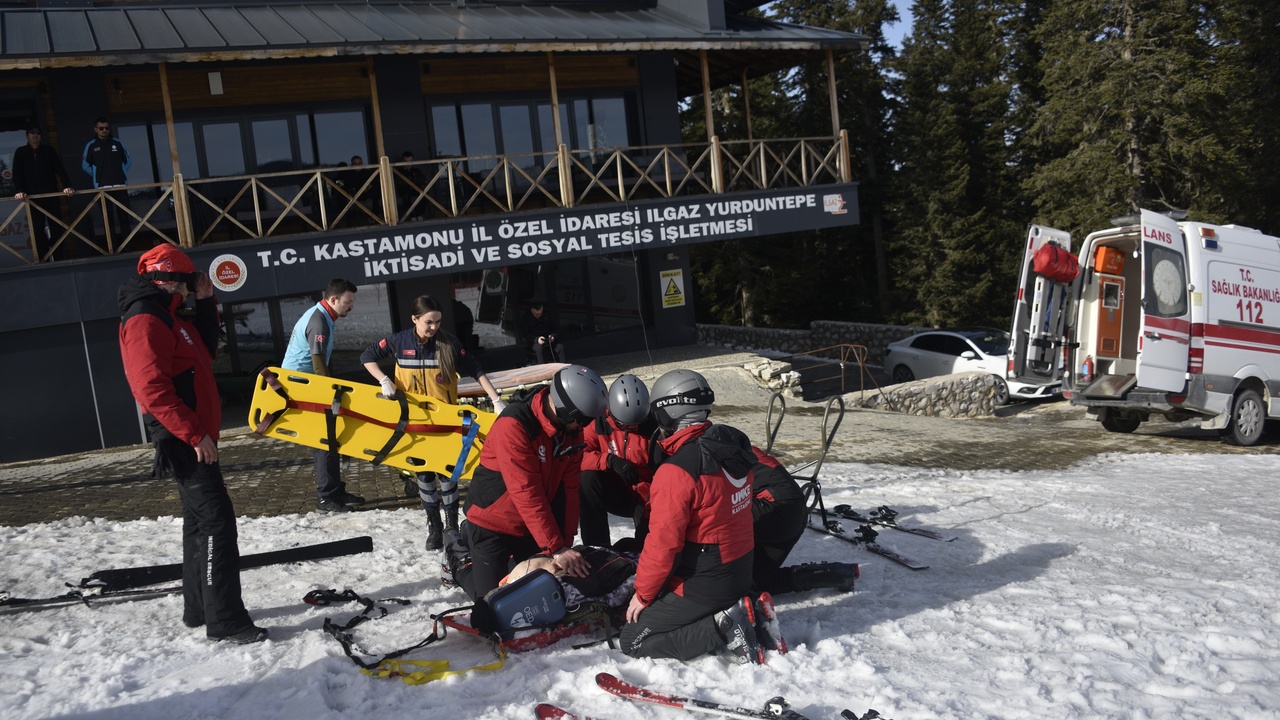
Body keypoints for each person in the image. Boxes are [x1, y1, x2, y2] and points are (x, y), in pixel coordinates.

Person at [117, 244, 266, 644]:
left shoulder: (169, 316)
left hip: (194, 435)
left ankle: (198, 608)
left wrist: (206, 301)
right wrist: (193, 433)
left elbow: (204, 351)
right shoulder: (145, 319)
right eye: (187, 283)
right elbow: (149, 387)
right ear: (169, 281)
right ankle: (227, 621)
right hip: (185, 439)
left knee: (200, 525)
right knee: (217, 524)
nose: (189, 289)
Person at [618, 370, 766, 664]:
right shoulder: (731, 450)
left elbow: (663, 544)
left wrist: (644, 595)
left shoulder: (678, 470)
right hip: (739, 572)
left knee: (632, 640)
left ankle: (723, 627)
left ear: (669, 413)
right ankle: (747, 610)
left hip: (705, 583)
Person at [360, 295, 507, 550]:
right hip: (413, 422)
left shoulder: (448, 344)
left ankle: (451, 525)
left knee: (448, 475)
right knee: (424, 476)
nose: (434, 327)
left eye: (438, 322)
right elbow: (367, 356)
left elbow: (476, 369)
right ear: (414, 319)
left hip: (445, 422)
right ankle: (434, 526)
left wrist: (495, 399)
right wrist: (384, 380)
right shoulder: (399, 341)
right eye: (428, 322)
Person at [457, 364, 608, 602]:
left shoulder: (571, 431)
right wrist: (556, 548)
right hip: (492, 523)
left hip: (530, 527)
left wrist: (564, 546)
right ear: (565, 410)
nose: (584, 428)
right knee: (493, 601)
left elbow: (570, 490)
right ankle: (459, 561)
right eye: (582, 420)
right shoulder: (515, 425)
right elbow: (526, 492)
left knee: (540, 590)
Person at [281, 278, 364, 514]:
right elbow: (318, 365)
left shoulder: (325, 315)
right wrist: (330, 395)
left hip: (308, 384)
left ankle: (335, 491)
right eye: (348, 302)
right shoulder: (319, 321)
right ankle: (327, 498)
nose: (351, 306)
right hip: (303, 387)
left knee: (331, 439)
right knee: (324, 441)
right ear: (333, 299)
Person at [749, 447, 858, 595]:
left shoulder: (711, 453)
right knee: (755, 583)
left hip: (774, 513)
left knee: (733, 587)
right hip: (794, 512)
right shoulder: (733, 442)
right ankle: (837, 574)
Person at [579, 374, 657, 548]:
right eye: (624, 425)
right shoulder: (598, 422)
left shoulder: (656, 428)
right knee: (587, 479)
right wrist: (609, 460)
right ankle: (597, 548)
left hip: (647, 499)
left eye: (636, 425)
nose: (630, 429)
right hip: (616, 492)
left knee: (646, 547)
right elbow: (578, 456)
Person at [11, 126, 74, 256]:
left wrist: (66, 185)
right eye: (32, 133)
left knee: (56, 227)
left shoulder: (49, 151)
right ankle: (43, 257)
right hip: (32, 198)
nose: (35, 136)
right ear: (27, 136)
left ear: (41, 136)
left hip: (51, 195)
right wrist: (20, 190)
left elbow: (59, 169)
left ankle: (58, 256)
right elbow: (17, 173)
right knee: (37, 229)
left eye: (38, 133)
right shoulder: (21, 152)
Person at [81, 117, 132, 241]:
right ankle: (112, 247)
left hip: (120, 185)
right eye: (101, 128)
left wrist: (121, 172)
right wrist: (97, 174)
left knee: (124, 216)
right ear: (96, 129)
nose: (104, 130)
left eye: (106, 128)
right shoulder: (91, 145)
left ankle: (127, 245)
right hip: (103, 187)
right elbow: (85, 165)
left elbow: (128, 161)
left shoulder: (118, 143)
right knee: (107, 218)